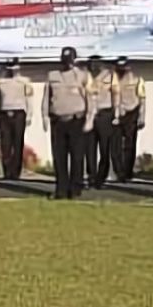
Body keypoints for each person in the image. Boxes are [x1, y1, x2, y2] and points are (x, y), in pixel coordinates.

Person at [43, 47, 95, 200]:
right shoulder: (53, 76)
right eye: (64, 60)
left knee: (77, 156)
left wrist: (90, 119)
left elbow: (90, 99)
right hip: (58, 121)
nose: (66, 63)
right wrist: (45, 116)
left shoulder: (83, 76)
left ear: (74, 60)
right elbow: (47, 97)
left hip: (76, 120)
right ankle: (61, 190)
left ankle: (75, 189)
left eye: (69, 60)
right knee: (59, 158)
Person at [0, 58, 33, 181]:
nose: (11, 71)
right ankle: (6, 172)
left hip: (19, 113)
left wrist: (30, 115)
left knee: (17, 143)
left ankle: (16, 173)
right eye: (9, 68)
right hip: (4, 113)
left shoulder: (24, 82)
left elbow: (29, 99)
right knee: (5, 144)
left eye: (14, 68)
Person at [110, 57, 145, 183]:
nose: (121, 71)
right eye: (118, 68)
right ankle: (119, 172)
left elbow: (142, 99)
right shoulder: (112, 79)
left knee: (130, 145)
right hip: (116, 114)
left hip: (131, 113)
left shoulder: (137, 79)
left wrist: (142, 116)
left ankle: (128, 172)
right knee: (115, 146)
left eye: (123, 68)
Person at [84, 55, 116, 189]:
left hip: (104, 113)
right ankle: (91, 177)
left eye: (96, 64)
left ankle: (101, 179)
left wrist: (116, 113)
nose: (93, 67)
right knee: (90, 149)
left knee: (104, 148)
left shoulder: (110, 75)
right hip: (89, 115)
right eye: (91, 64)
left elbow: (116, 93)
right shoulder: (84, 76)